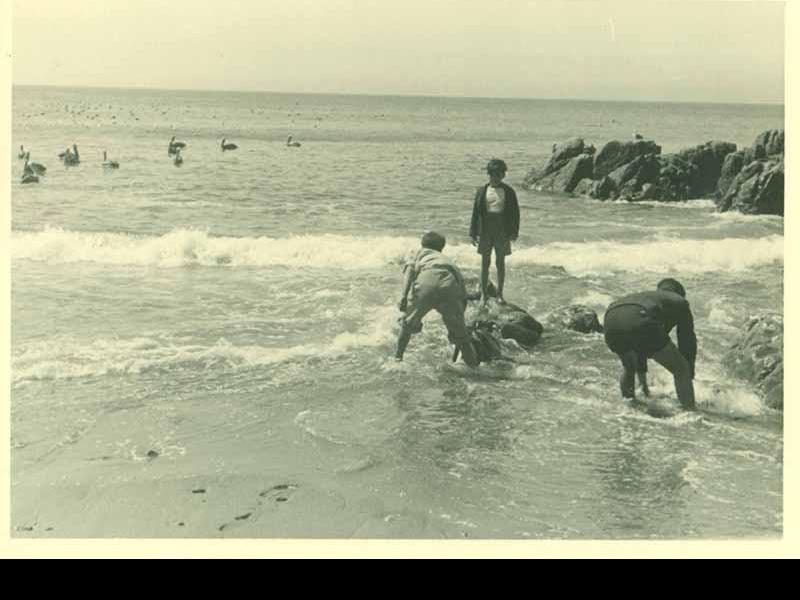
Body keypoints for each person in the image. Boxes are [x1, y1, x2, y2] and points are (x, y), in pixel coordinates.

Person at [603, 278, 697, 410]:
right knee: (680, 368)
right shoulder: (679, 301)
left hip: (611, 318)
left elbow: (641, 340)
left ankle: (629, 406)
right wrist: (688, 369)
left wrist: (644, 386)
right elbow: (686, 339)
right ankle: (691, 413)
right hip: (639, 318)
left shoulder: (648, 297)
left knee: (629, 367)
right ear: (679, 293)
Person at [396, 231, 478, 367]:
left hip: (426, 283)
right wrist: (459, 318)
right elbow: (462, 291)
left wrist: (404, 296)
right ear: (441, 248)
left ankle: (398, 359)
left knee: (407, 325)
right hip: (449, 285)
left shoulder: (418, 253)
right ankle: (474, 368)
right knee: (462, 338)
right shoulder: (448, 261)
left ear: (422, 245)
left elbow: (410, 272)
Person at [469, 158, 520, 306]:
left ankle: (500, 294)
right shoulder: (482, 191)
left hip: (502, 230)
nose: (495, 178)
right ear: (488, 174)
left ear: (503, 175)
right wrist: (472, 233)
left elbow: (515, 214)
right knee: (485, 263)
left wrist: (514, 232)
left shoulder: (509, 191)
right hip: (485, 229)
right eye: (492, 175)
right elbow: (475, 213)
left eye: (498, 175)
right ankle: (484, 295)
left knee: (500, 262)